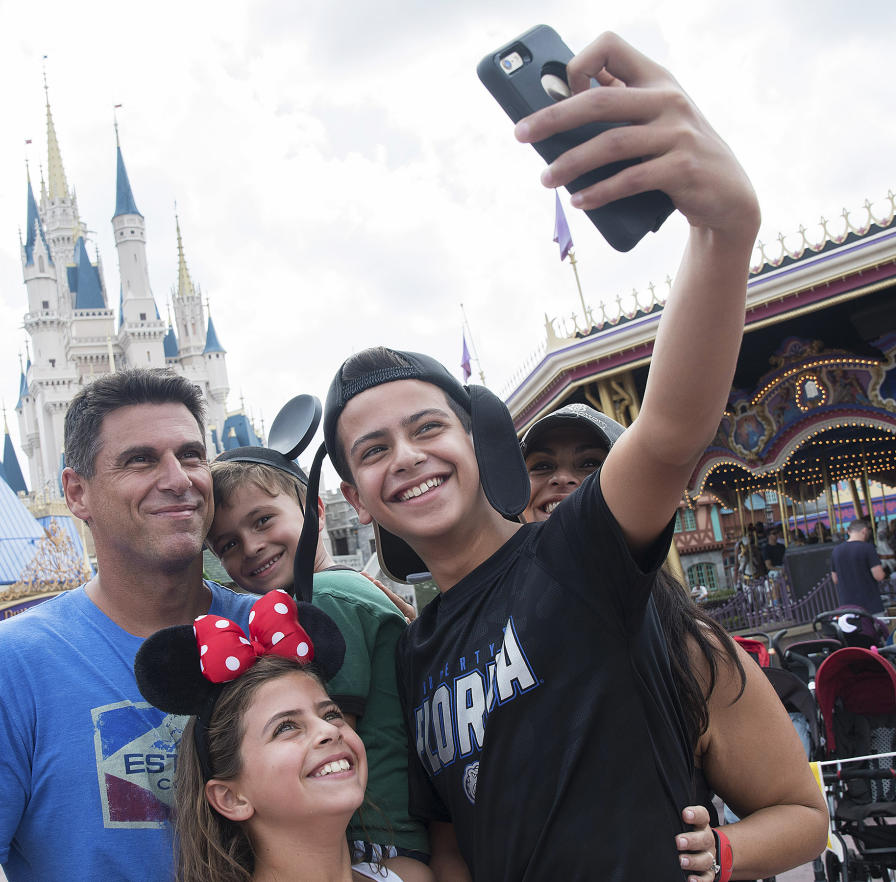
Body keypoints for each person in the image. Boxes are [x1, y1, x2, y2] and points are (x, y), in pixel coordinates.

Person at [312, 32, 829, 880]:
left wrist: (722, 228)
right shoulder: (414, 654)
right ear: (357, 499)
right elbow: (450, 847)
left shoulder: (572, 556)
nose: (407, 456)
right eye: (374, 450)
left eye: (428, 428)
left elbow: (666, 432)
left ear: (477, 444)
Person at [0, 369, 257, 882]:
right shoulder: (5, 669)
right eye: (140, 460)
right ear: (77, 493)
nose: (178, 479)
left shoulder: (269, 633)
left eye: (191, 456)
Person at [520, 402, 829, 880]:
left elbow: (804, 816)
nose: (563, 479)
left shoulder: (685, 645)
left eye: (590, 464)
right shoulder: (489, 647)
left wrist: (720, 851)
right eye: (542, 466)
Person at [206, 449, 429, 877]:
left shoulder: (326, 599)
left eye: (263, 520)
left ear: (317, 510)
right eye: (229, 544)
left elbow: (325, 739)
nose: (251, 546)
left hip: (373, 838)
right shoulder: (341, 590)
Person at [132, 589, 433, 882]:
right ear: (231, 798)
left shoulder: (411, 876)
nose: (329, 730)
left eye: (331, 714)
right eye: (286, 727)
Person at [832, 518, 887, 613]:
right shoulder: (868, 548)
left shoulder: (836, 551)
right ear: (864, 531)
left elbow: (835, 579)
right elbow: (879, 576)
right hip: (871, 605)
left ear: (849, 532)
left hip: (847, 606)